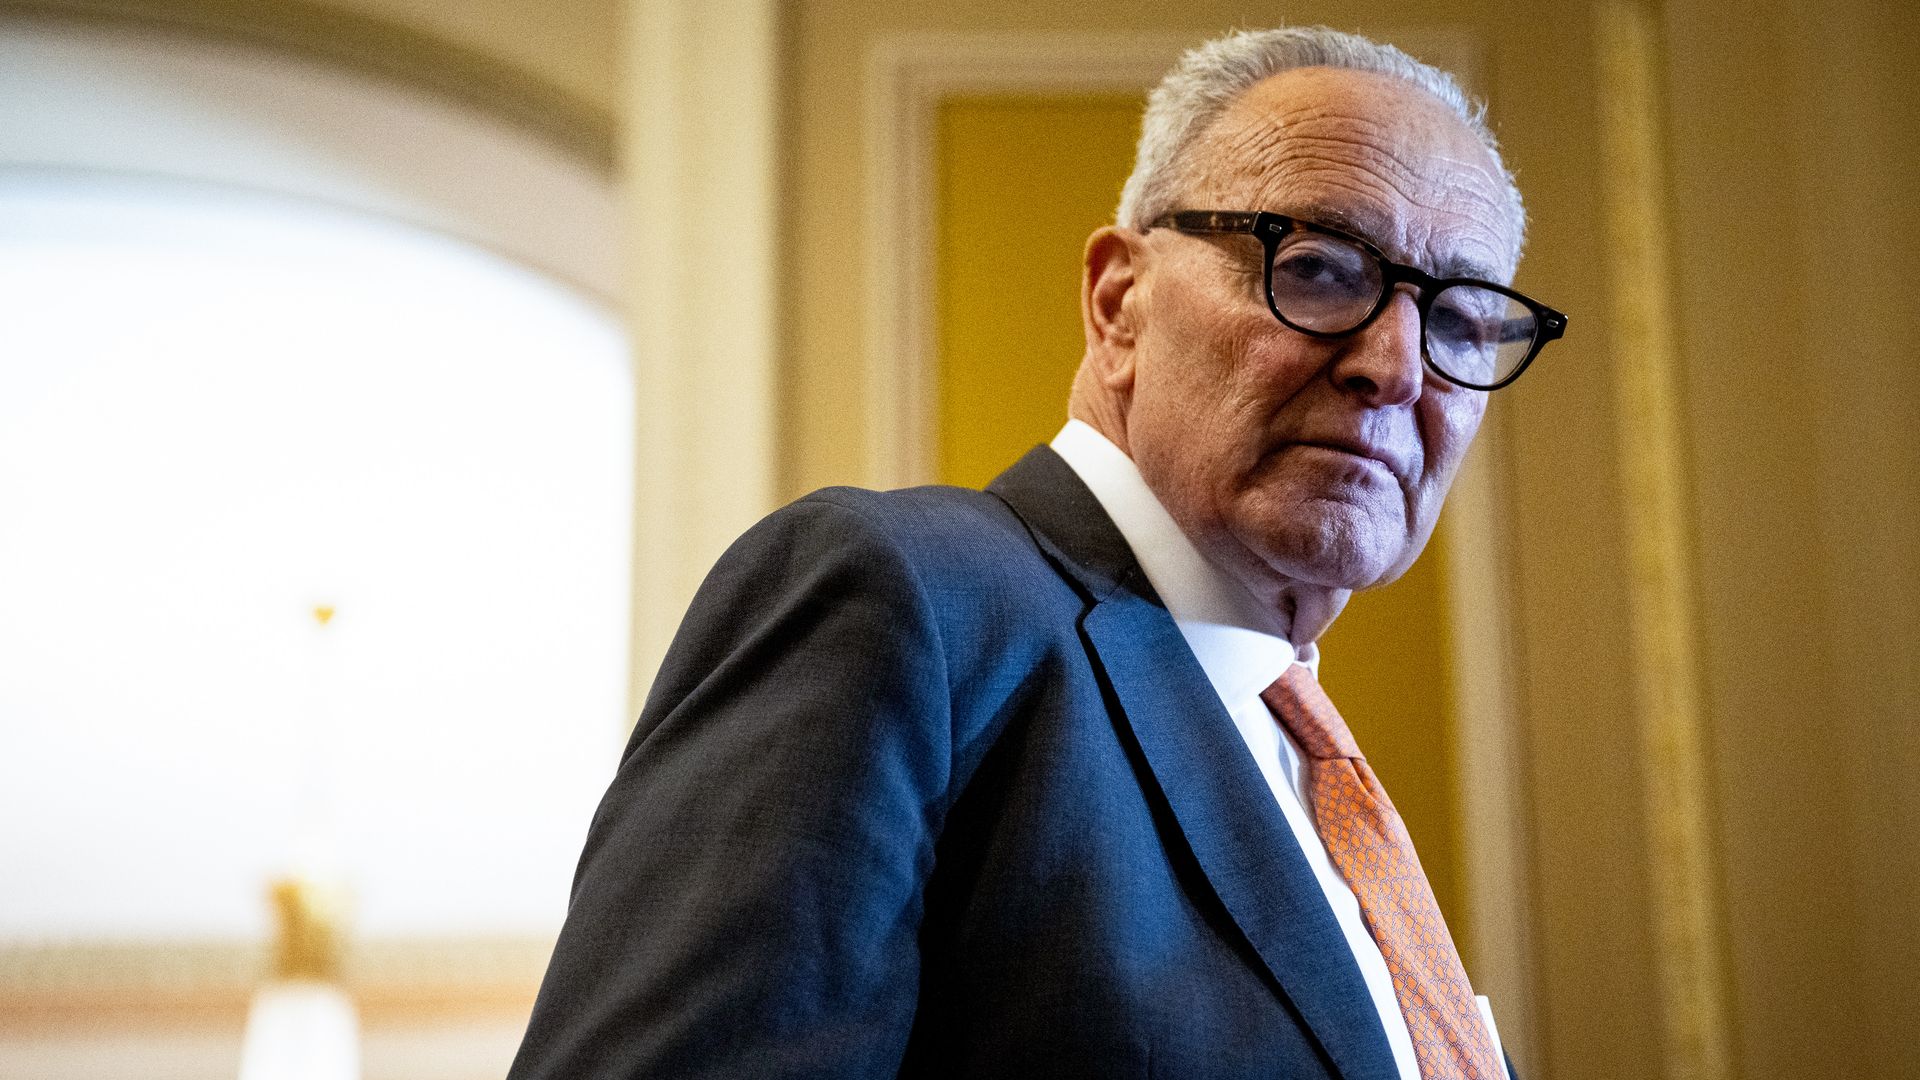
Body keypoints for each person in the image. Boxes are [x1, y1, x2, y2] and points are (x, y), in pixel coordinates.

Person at [509, 25, 1565, 1080]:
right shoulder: (899, 599)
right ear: (1119, 303)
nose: (1397, 366)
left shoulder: (1313, 772)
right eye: (1319, 269)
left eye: (1462, 325)